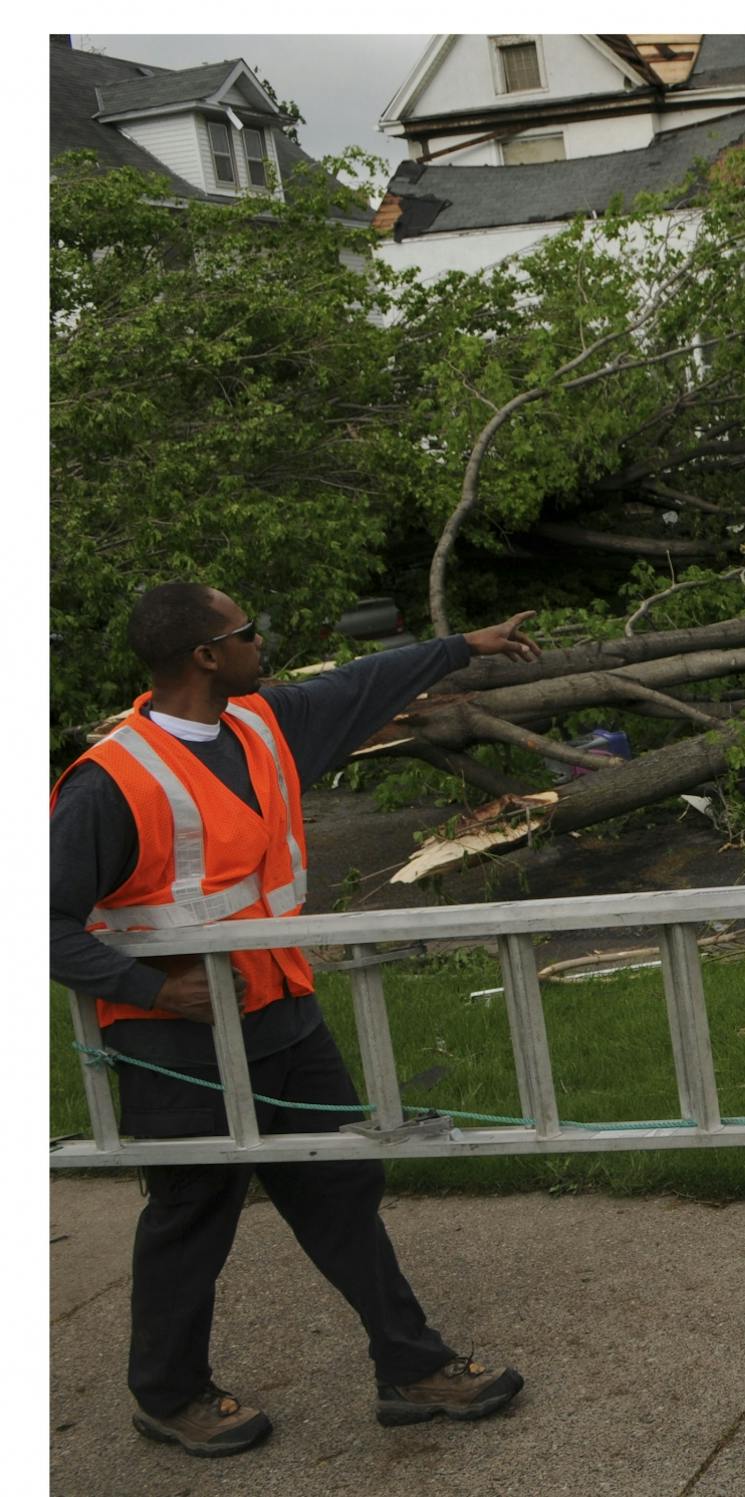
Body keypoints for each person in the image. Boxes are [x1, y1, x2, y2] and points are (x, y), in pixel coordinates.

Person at [51, 583, 543, 1458]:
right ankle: (168, 1394)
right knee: (193, 1210)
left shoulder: (264, 725)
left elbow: (364, 681)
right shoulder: (112, 782)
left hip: (282, 1012)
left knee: (341, 1187)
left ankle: (411, 1366)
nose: (261, 640)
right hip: (174, 1042)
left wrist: (465, 643)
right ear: (206, 655)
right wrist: (153, 989)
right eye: (248, 630)